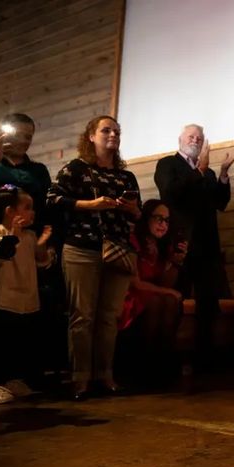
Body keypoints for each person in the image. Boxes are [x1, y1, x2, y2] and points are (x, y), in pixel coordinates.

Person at [47, 115, 142, 400]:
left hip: (118, 249)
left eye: (117, 131)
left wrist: (131, 210)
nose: (113, 135)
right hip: (81, 248)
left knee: (109, 317)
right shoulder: (75, 168)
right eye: (106, 130)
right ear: (91, 136)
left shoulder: (126, 176)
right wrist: (91, 204)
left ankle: (105, 375)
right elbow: (52, 199)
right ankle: (80, 379)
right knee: (83, 316)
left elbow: (138, 214)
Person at [153, 124, 234, 367]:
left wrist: (223, 173)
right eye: (191, 136)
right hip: (179, 244)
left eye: (199, 138)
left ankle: (205, 358)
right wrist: (199, 170)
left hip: (207, 246)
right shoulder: (167, 164)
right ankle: (166, 357)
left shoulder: (208, 172)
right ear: (180, 139)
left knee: (208, 302)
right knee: (175, 298)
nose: (195, 141)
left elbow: (221, 203)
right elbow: (170, 193)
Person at [0, 185, 54, 402]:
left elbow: (41, 262)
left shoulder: (30, 235)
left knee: (17, 342)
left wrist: (41, 244)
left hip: (25, 298)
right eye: (27, 207)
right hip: (3, 298)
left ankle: (12, 379)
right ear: (9, 211)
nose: (32, 212)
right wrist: (14, 234)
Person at [119, 199, 187, 385]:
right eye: (158, 218)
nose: (163, 224)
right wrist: (168, 291)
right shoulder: (133, 240)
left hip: (151, 293)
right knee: (159, 300)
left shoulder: (163, 244)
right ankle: (147, 365)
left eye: (167, 220)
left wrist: (175, 262)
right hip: (131, 293)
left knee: (169, 301)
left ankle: (163, 361)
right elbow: (136, 284)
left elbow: (166, 282)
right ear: (147, 218)